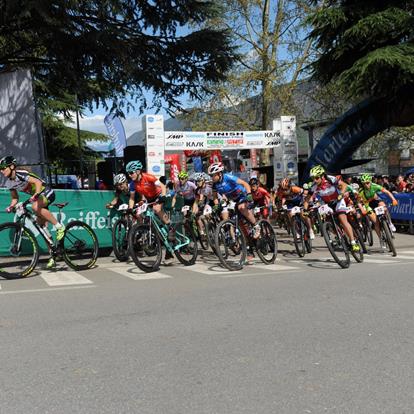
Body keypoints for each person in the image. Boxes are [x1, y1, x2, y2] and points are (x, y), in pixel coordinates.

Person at [0, 156, 65, 268]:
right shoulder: (9, 182)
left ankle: (60, 227)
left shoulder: (20, 174)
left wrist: (36, 195)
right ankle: (53, 255)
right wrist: (11, 206)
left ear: (11, 166)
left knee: (35, 207)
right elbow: (15, 198)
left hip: (46, 191)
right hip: (38, 197)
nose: (1, 171)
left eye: (3, 168)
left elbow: (38, 182)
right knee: (42, 228)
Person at [126, 160, 174, 263]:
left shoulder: (148, 177)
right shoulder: (133, 184)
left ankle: (170, 226)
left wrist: (163, 196)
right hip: (148, 198)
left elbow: (162, 186)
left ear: (138, 171)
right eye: (128, 173)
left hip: (159, 195)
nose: (130, 175)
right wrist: (130, 208)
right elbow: (132, 198)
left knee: (157, 209)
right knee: (139, 213)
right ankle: (150, 233)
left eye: (131, 172)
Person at [304, 165, 360, 252]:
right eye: (313, 178)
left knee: (343, 220)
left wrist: (341, 194)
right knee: (329, 223)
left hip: (338, 201)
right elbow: (307, 199)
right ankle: (339, 235)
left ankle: (353, 243)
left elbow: (344, 185)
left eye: (316, 178)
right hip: (327, 204)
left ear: (322, 176)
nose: (314, 180)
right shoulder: (314, 186)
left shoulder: (330, 179)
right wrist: (305, 210)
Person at [208, 162, 260, 239]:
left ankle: (256, 226)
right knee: (234, 218)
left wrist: (249, 194)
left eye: (212, 175)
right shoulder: (215, 185)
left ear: (219, 173)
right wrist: (216, 205)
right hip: (232, 199)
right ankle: (245, 238)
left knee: (241, 207)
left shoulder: (227, 177)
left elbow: (245, 183)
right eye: (210, 176)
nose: (211, 177)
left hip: (242, 195)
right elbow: (215, 197)